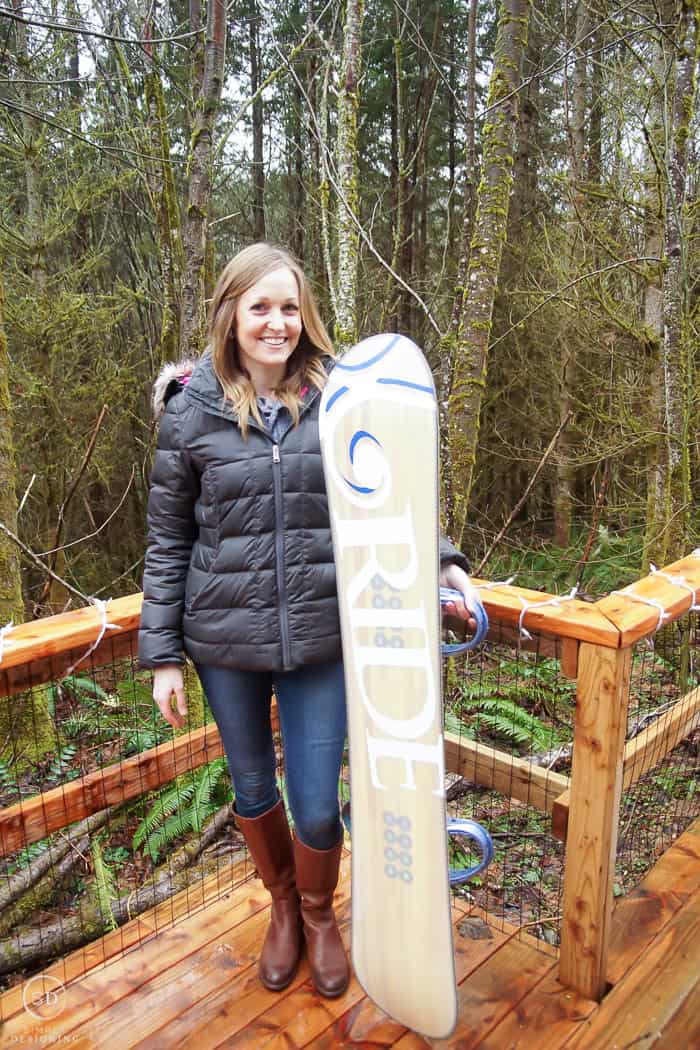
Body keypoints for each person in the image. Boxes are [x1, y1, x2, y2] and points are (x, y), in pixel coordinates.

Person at [137, 242, 481, 1000]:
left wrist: (444, 562)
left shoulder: (343, 398)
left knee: (319, 802)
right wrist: (161, 655)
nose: (276, 323)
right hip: (224, 640)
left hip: (325, 636)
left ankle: (323, 915)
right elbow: (167, 541)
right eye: (260, 306)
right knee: (254, 789)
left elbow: (390, 494)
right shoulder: (188, 412)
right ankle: (284, 909)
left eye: (289, 307)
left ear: (307, 315)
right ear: (231, 314)